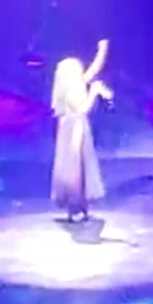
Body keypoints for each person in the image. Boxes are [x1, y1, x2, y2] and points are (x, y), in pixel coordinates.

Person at [50, 38, 111, 222]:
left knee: (78, 169)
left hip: (73, 129)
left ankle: (79, 206)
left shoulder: (72, 86)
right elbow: (82, 108)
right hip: (75, 131)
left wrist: (102, 50)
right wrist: (94, 92)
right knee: (75, 170)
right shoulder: (72, 92)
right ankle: (75, 205)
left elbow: (92, 72)